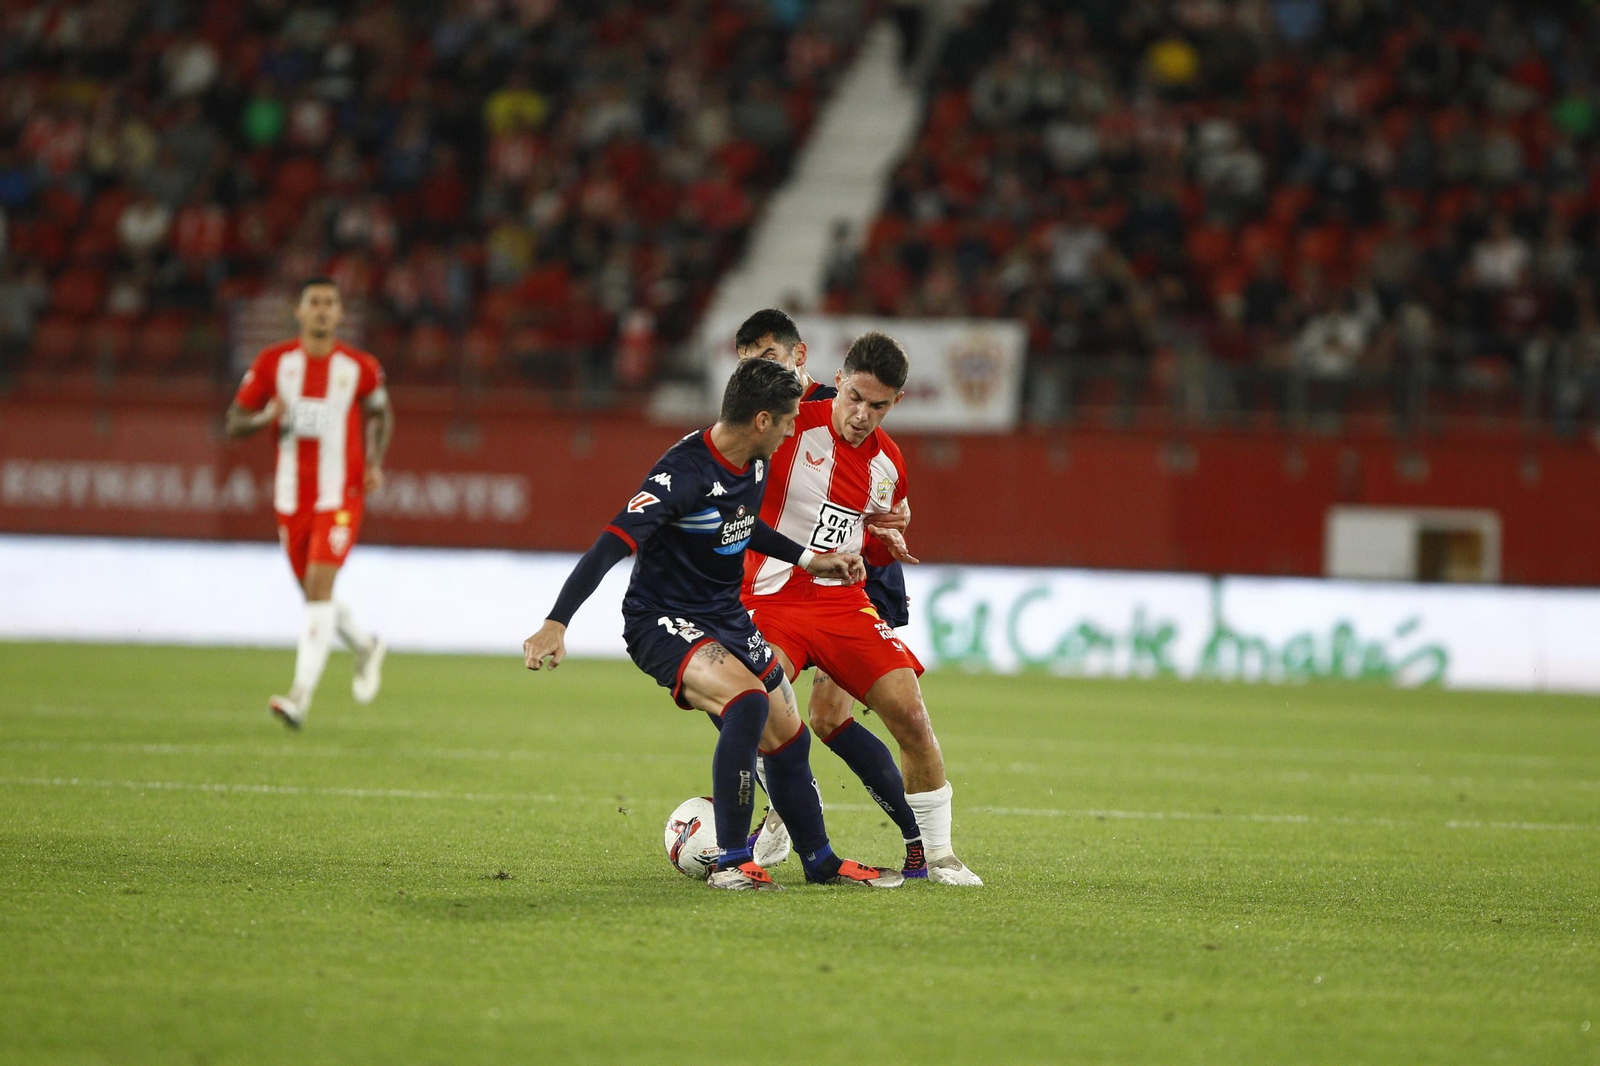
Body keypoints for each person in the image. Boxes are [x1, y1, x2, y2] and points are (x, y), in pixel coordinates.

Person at [522, 358, 903, 891]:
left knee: (788, 739)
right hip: (662, 620)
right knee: (746, 702)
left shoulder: (756, 459)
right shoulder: (683, 474)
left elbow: (747, 527)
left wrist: (808, 559)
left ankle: (819, 860)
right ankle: (730, 860)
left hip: (725, 615)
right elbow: (610, 544)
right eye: (791, 418)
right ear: (764, 420)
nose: (798, 426)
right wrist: (556, 622)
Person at [739, 323, 982, 885]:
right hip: (772, 599)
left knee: (911, 713)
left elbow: (866, 536)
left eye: (877, 406)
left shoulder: (889, 465)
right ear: (837, 381)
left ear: (896, 402)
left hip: (845, 604)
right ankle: (763, 831)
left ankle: (937, 855)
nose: (860, 415)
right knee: (757, 706)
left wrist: (884, 539)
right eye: (853, 398)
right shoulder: (786, 428)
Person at [224, 277, 394, 729]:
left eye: (330, 304)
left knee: (318, 590)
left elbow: (380, 412)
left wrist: (374, 461)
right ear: (297, 312)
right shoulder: (273, 363)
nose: (322, 310)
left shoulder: (359, 366)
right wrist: (266, 416)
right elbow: (234, 422)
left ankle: (299, 696)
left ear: (340, 314)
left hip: (341, 495)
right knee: (314, 597)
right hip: (291, 498)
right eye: (314, 303)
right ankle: (365, 645)